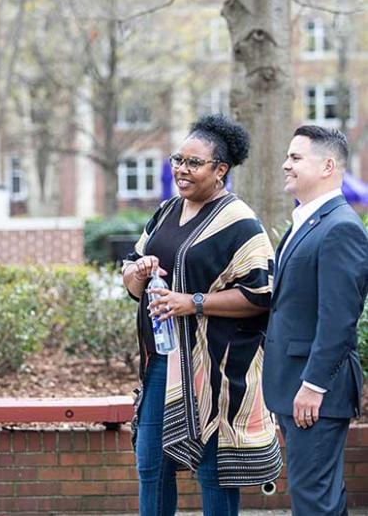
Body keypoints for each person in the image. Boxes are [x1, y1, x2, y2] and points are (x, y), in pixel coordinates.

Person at [122, 114, 282, 516]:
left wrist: (192, 302)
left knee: (214, 472)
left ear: (220, 170)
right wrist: (137, 273)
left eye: (194, 162)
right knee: (151, 466)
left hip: (214, 370)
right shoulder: (165, 212)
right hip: (162, 362)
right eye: (178, 159)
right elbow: (130, 277)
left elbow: (260, 294)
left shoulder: (239, 222)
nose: (181, 169)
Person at [263, 125, 368, 515]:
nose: (285, 165)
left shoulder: (340, 227)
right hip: (293, 386)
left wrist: (313, 385)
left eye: (295, 157)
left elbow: (339, 319)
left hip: (314, 392)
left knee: (315, 503)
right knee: (316, 498)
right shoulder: (304, 221)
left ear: (327, 166)